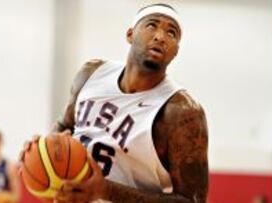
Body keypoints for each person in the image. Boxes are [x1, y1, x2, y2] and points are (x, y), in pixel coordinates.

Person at [22, 3, 208, 203]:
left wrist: (106, 191)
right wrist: (41, 150)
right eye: (152, 26)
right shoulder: (91, 74)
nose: (160, 36)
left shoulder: (181, 113)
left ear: (175, 52)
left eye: (171, 33)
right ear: (130, 34)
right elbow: (64, 126)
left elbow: (193, 201)